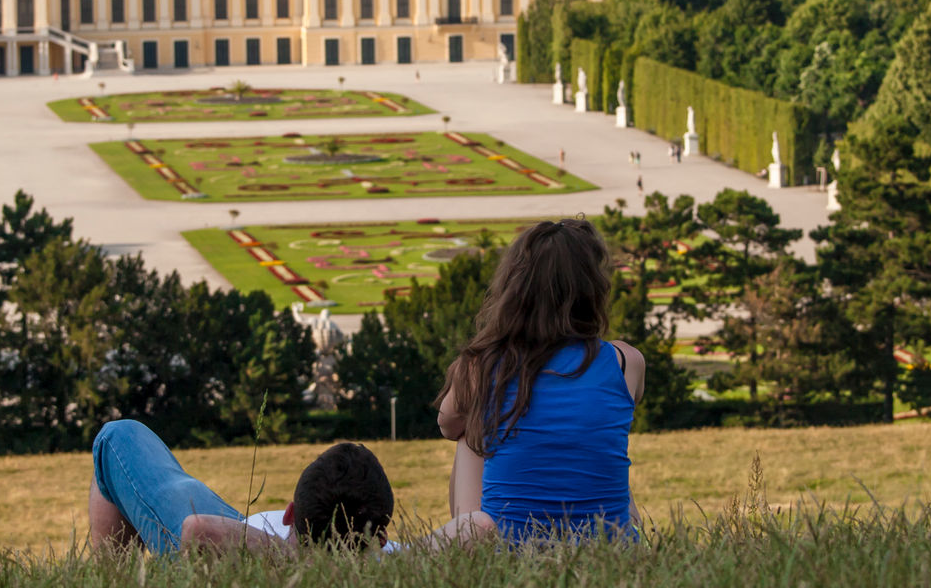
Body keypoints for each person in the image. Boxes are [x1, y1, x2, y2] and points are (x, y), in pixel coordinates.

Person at [434, 218, 643, 546]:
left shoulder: (481, 366)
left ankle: (408, 559)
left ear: (515, 288)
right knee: (598, 442)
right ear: (593, 288)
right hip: (608, 548)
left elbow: (447, 425)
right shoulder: (626, 362)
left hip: (512, 548)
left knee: (469, 430)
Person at [90, 419, 395, 554]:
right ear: (380, 538)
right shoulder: (391, 555)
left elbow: (197, 531)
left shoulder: (270, 558)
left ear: (290, 514)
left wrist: (296, 555)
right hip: (237, 530)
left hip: (208, 550)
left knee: (117, 437)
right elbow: (445, 536)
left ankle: (111, 576)